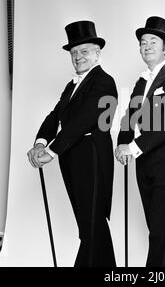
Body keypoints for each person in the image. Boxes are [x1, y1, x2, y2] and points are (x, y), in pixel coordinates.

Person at [27, 20, 117, 267]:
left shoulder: (104, 82)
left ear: (97, 53)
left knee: (91, 223)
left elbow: (86, 119)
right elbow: (55, 115)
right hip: (72, 157)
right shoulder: (71, 86)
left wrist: (52, 150)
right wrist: (40, 142)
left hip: (92, 157)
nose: (78, 57)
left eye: (84, 51)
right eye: (74, 53)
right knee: (90, 225)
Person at [115, 16, 165, 267]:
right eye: (142, 42)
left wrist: (133, 147)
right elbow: (128, 117)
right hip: (143, 162)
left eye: (152, 41)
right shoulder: (140, 82)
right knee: (160, 226)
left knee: (159, 229)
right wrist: (120, 143)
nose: (146, 46)